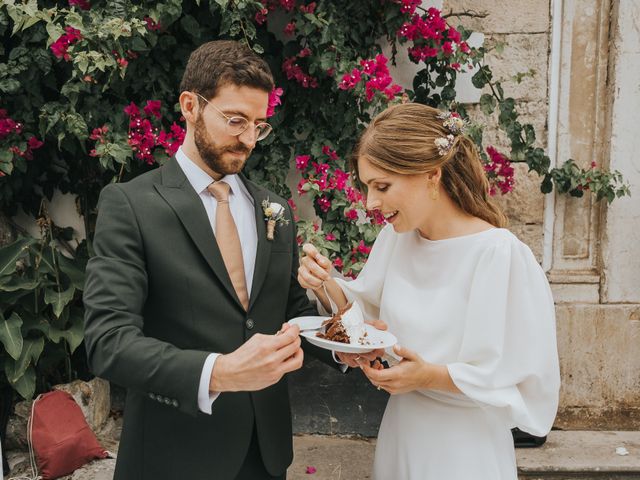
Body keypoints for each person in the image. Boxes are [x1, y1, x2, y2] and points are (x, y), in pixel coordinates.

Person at [83, 40, 348, 480]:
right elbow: (108, 342)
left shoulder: (275, 209)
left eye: (259, 126)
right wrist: (219, 372)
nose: (248, 139)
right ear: (190, 105)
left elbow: (289, 313)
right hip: (174, 456)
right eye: (235, 120)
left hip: (264, 455)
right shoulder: (131, 204)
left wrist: (344, 346)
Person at [298, 103, 561, 479]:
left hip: (464, 447)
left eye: (382, 186)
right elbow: (368, 315)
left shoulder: (499, 254)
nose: (371, 203)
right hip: (402, 431)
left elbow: (524, 376)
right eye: (367, 187)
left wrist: (428, 377)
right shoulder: (397, 238)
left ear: (431, 176)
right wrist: (325, 281)